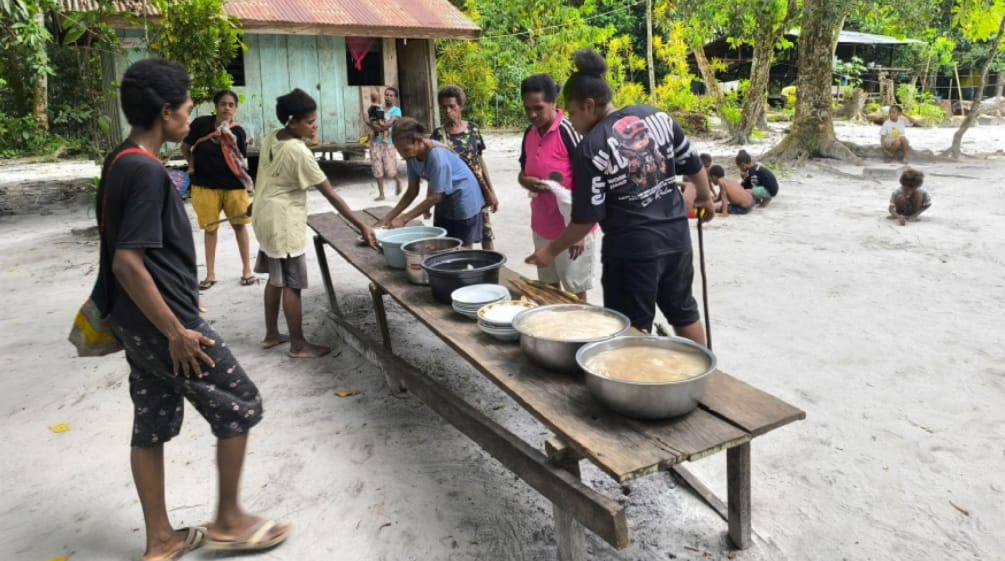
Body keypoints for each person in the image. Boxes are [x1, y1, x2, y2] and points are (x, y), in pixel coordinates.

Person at [93, 58, 288, 561]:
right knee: (241, 401)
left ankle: (160, 539)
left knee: (152, 421)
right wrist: (177, 330)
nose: (190, 113)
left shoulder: (120, 159)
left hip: (135, 322)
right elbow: (127, 263)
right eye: (185, 106)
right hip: (165, 325)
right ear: (166, 112)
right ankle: (228, 520)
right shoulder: (145, 171)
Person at [525, 49, 715, 340]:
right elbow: (691, 161)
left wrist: (551, 250)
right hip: (676, 239)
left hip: (632, 252)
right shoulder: (656, 116)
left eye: (573, 112)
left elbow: (587, 218)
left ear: (589, 105)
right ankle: (703, 381)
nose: (572, 121)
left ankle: (637, 385)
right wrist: (704, 196)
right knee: (683, 311)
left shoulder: (591, 148)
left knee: (631, 327)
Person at [252, 88, 377, 358]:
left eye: (314, 119)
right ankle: (298, 345)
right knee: (291, 283)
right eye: (309, 122)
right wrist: (362, 225)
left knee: (276, 278)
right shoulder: (298, 152)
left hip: (264, 214)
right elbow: (331, 194)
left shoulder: (272, 137)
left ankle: (272, 334)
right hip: (283, 222)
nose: (314, 125)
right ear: (291, 121)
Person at [517, 73, 595, 301]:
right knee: (548, 291)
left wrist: (579, 232)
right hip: (542, 226)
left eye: (538, 108)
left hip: (572, 229)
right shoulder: (529, 134)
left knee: (574, 295)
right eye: (527, 108)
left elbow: (588, 181)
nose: (532, 115)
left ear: (554, 103)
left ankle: (580, 337)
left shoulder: (569, 131)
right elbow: (523, 171)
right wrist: (524, 181)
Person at [181, 90, 255, 290]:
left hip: (233, 187)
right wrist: (191, 164)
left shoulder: (238, 131)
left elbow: (240, 161)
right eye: (223, 104)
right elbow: (186, 147)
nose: (227, 108)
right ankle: (210, 274)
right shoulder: (201, 124)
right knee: (211, 229)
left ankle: (247, 270)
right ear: (216, 106)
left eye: (231, 105)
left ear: (235, 109)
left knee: (240, 226)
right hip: (205, 186)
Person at [376, 117, 485, 247]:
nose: (402, 155)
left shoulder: (437, 156)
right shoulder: (411, 156)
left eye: (405, 149)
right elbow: (412, 191)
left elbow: (436, 196)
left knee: (461, 250)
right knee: (442, 247)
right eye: (398, 150)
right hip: (445, 202)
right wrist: (387, 219)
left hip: (465, 200)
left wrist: (404, 218)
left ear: (418, 141)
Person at [431, 85, 499, 250]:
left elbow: (480, 161)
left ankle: (492, 272)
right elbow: (435, 170)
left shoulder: (473, 129)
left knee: (486, 235)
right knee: (458, 243)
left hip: (476, 190)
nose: (448, 111)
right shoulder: (438, 135)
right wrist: (430, 198)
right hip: (452, 195)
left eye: (452, 106)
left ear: (461, 106)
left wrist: (491, 191)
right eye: (444, 107)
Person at [368, 86, 403, 201]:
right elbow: (370, 120)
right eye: (386, 95)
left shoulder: (396, 110)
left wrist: (379, 127)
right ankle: (381, 194)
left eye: (391, 95)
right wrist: (373, 125)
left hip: (388, 143)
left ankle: (397, 180)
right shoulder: (379, 107)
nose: (388, 97)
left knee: (390, 168)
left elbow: (390, 123)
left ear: (395, 98)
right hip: (376, 143)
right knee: (377, 167)